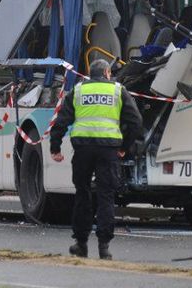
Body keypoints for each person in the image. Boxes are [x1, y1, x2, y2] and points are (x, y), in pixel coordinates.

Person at [50, 59, 143, 260]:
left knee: (82, 194)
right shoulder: (119, 90)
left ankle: (81, 243)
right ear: (108, 72)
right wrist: (124, 147)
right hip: (109, 150)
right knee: (106, 196)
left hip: (83, 149)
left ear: (90, 74)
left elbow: (62, 120)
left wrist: (55, 147)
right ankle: (104, 247)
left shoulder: (78, 90)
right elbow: (135, 122)